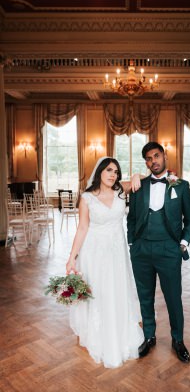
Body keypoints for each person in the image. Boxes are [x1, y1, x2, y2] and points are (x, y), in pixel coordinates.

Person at [65, 157, 144, 368]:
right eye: (109, 170)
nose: (113, 175)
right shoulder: (87, 198)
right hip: (94, 253)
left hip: (117, 253)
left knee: (116, 289)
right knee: (99, 291)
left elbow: (144, 178)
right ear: (100, 171)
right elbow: (82, 228)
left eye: (116, 172)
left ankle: (118, 327)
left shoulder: (120, 190)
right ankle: (99, 331)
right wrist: (72, 257)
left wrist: (136, 175)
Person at [126, 142, 190, 363]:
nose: (152, 161)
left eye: (156, 156)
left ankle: (178, 340)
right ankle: (149, 336)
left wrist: (183, 243)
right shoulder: (139, 186)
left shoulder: (181, 186)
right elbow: (131, 219)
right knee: (145, 297)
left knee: (173, 298)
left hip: (169, 249)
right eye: (148, 158)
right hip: (142, 250)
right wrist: (132, 243)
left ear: (164, 156)